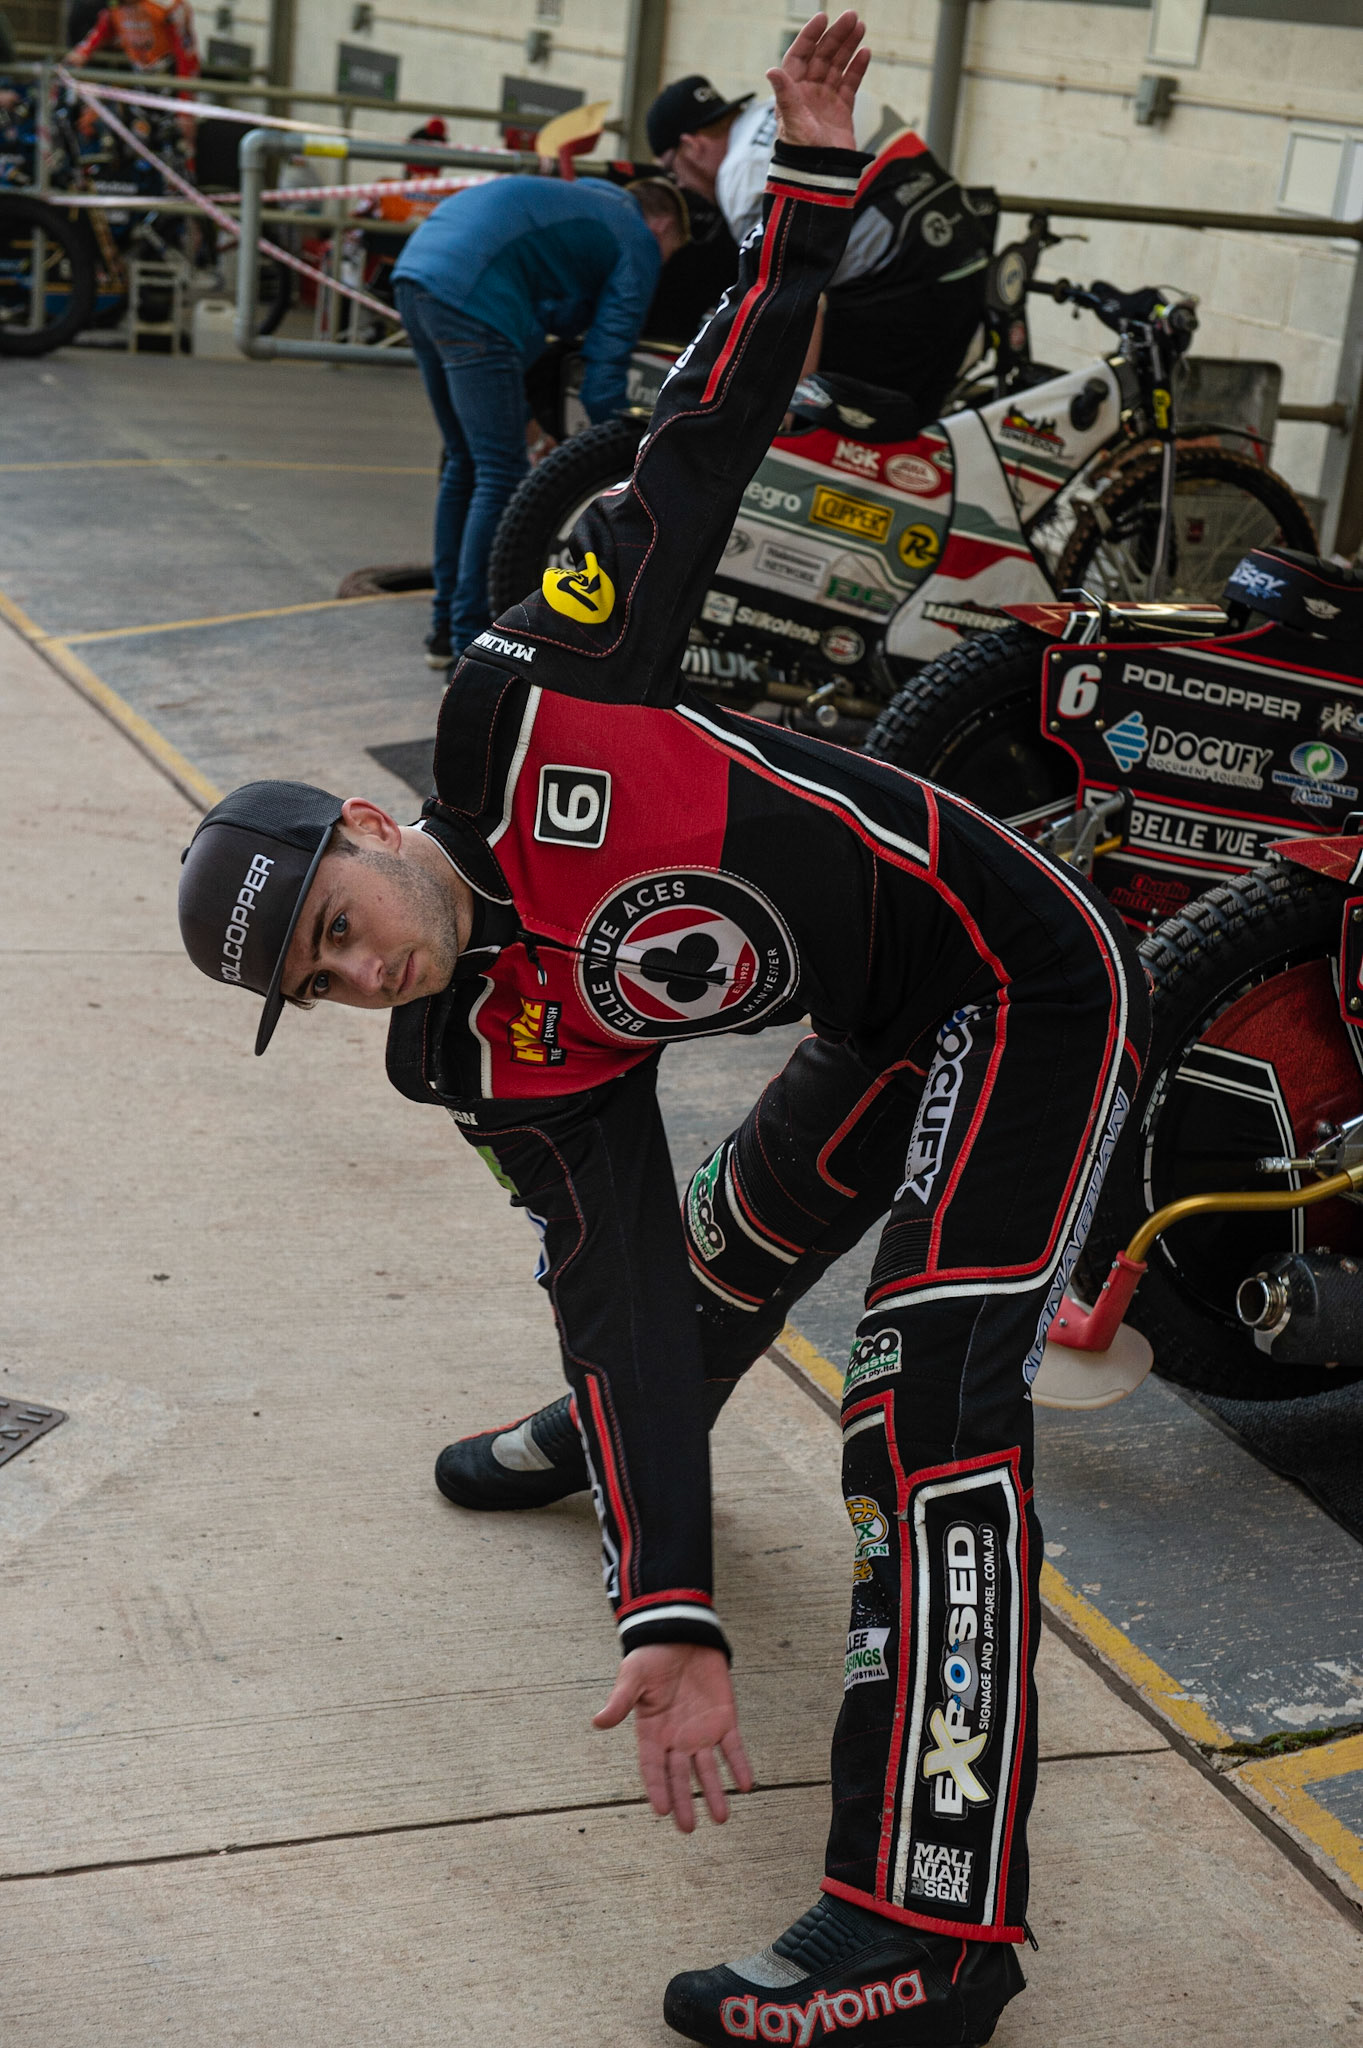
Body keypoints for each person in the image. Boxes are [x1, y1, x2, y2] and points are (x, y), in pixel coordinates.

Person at [177, 16, 1146, 2043]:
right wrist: (669, 1605)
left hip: (1012, 969)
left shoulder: (527, 712)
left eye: (339, 929)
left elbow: (697, 435)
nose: (363, 980)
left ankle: (935, 1931)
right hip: (880, 1015)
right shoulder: (473, 1047)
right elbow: (605, 1260)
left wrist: (803, 189)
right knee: (681, 1275)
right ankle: (624, 1479)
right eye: (318, 988)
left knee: (922, 1396)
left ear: (369, 828)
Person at [391, 171, 688, 671]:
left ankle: (445, 630)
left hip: (417, 275)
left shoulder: (586, 206)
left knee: (466, 462)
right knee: (500, 472)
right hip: (473, 292)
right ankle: (472, 639)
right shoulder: (635, 237)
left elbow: (545, 316)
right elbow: (603, 371)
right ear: (660, 226)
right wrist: (621, 456)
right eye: (670, 252)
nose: (660, 266)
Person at [646, 65, 993, 416]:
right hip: (968, 256)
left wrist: (786, 412)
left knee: (837, 431)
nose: (682, 186)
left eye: (673, 171)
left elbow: (796, 301)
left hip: (907, 287)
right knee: (912, 425)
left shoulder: (743, 176)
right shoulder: (778, 109)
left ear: (691, 146)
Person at [66, 0, 199, 77]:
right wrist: (83, 51)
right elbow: (103, 27)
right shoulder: (115, 6)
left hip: (168, 75)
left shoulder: (169, 6)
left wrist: (185, 105)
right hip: (136, 74)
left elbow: (186, 54)